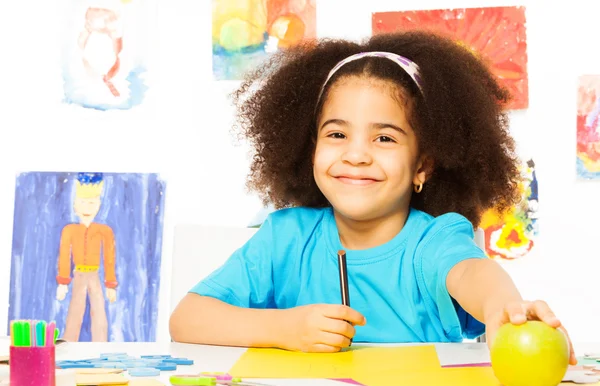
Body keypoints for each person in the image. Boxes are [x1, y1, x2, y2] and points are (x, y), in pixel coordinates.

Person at [170, 30, 576, 364]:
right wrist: (283, 329)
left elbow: (472, 274)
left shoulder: (433, 241)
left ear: (423, 166)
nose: (356, 154)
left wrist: (503, 308)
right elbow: (187, 319)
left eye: (384, 137)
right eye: (337, 134)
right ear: (310, 147)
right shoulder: (284, 237)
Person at [56, 172, 117, 342]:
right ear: (75, 204)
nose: (87, 208)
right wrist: (63, 282)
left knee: (99, 312)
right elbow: (64, 255)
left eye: (92, 203)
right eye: (83, 202)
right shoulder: (69, 230)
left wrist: (110, 284)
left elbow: (109, 257)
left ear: (98, 205)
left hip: (95, 275)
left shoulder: (104, 231)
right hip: (78, 275)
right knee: (75, 312)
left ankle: (101, 347)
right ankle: (69, 346)